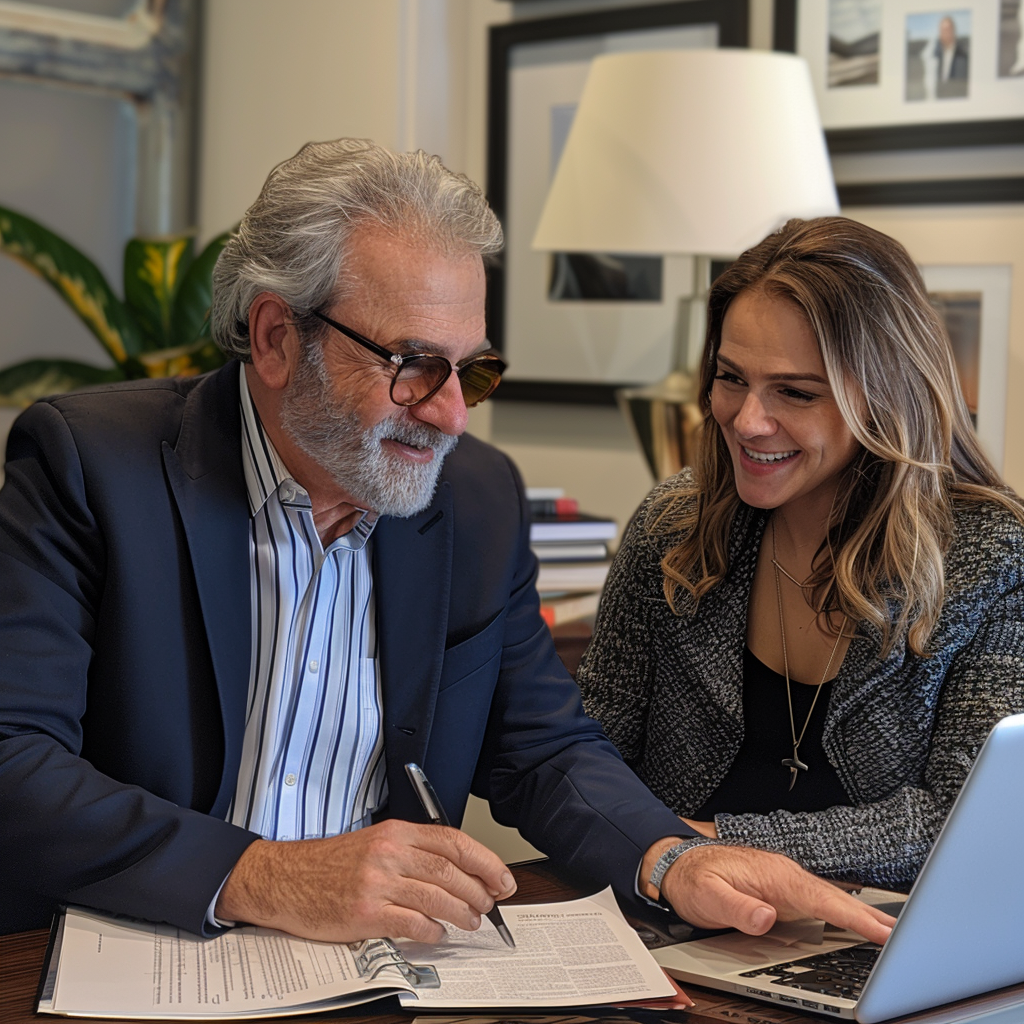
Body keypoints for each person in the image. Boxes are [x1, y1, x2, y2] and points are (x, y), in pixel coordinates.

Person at [0, 142, 894, 945]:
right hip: (127, 949)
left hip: (379, 967)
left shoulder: (476, 498)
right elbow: (15, 760)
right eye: (414, 366)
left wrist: (671, 860)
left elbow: (543, 749)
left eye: (473, 370)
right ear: (277, 338)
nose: (452, 415)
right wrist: (264, 875)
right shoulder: (91, 467)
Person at [578, 216, 1024, 894]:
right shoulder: (672, 528)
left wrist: (706, 844)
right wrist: (660, 861)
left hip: (879, 953)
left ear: (884, 395)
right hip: (675, 931)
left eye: (796, 391)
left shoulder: (992, 560)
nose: (748, 420)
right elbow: (586, 756)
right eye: (732, 378)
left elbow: (963, 826)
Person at [934, 15, 969, 98]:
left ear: (953, 31)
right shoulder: (936, 54)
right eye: (942, 31)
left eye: (947, 30)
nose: (945, 33)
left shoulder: (963, 54)